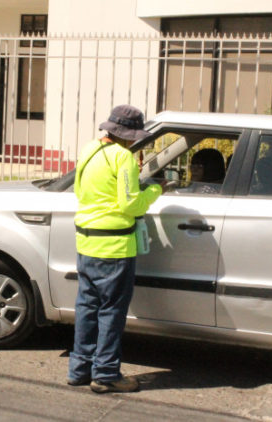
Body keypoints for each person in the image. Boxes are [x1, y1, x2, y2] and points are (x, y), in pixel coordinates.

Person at [68, 104, 164, 393]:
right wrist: (155, 190)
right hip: (115, 246)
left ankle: (79, 369)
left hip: (86, 242)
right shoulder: (123, 157)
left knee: (87, 307)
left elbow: (79, 191)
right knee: (111, 311)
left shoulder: (89, 150)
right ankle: (106, 374)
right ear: (128, 134)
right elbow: (129, 204)